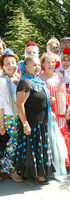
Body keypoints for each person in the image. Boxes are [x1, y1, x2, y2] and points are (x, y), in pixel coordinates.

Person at [15, 56, 55, 184]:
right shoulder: (25, 82)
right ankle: (37, 175)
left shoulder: (38, 80)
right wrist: (25, 123)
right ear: (26, 67)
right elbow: (19, 104)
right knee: (32, 149)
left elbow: (38, 99)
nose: (37, 67)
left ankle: (36, 172)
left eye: (38, 65)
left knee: (38, 149)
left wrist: (49, 101)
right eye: (33, 65)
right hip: (31, 122)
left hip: (41, 122)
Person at [40, 52, 70, 171]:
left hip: (61, 112)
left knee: (62, 138)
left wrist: (68, 107)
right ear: (43, 64)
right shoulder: (40, 78)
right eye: (48, 62)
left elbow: (65, 93)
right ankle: (53, 165)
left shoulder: (60, 76)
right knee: (51, 140)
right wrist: (47, 100)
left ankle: (63, 162)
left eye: (53, 62)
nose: (51, 64)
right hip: (49, 113)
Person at [0, 53, 23, 182]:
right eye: (7, 63)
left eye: (13, 62)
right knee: (11, 144)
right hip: (8, 117)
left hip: (19, 115)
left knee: (17, 144)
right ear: (3, 66)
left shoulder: (19, 78)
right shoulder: (2, 81)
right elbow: (0, 104)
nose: (11, 65)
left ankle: (15, 167)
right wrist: (2, 124)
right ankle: (11, 171)